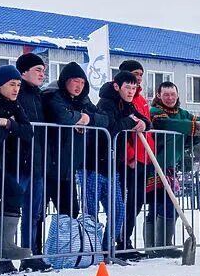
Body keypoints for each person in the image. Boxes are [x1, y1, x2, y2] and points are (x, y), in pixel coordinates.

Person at [0, 65, 49, 273]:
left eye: (18, 85)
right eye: (11, 85)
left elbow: (28, 131)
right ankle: (1, 256)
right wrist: (8, 128)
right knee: (10, 196)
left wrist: (7, 123)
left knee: (15, 196)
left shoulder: (14, 104)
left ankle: (5, 251)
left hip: (14, 161)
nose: (16, 89)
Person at [145, 81, 200, 254]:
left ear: (177, 96)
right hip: (154, 164)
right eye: (166, 95)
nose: (169, 98)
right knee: (165, 205)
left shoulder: (181, 113)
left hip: (168, 168)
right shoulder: (155, 112)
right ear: (159, 96)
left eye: (172, 95)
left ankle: (155, 247)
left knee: (161, 205)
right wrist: (196, 128)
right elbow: (168, 125)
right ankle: (162, 247)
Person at [42, 62, 109, 223]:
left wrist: (87, 118)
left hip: (68, 166)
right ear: (65, 80)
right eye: (75, 81)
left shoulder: (83, 100)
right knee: (38, 212)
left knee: (71, 210)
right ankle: (33, 248)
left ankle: (64, 247)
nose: (79, 86)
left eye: (82, 82)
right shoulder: (52, 95)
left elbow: (105, 119)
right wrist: (81, 117)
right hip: (48, 164)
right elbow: (62, 116)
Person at [95, 71, 149, 257]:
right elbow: (111, 127)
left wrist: (142, 124)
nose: (131, 92)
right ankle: (92, 249)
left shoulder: (127, 105)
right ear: (117, 86)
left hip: (112, 167)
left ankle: (106, 248)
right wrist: (130, 121)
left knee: (118, 210)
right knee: (91, 212)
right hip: (94, 165)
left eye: (134, 88)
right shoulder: (106, 103)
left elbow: (143, 119)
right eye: (127, 87)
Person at [15, 52, 48, 253]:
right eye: (38, 70)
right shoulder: (17, 93)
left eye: (43, 70)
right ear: (24, 72)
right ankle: (6, 256)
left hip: (37, 162)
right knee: (12, 210)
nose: (42, 74)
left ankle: (31, 251)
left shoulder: (39, 95)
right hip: (18, 160)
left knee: (34, 212)